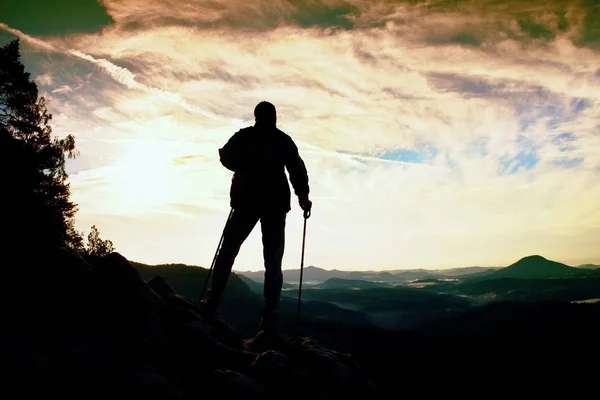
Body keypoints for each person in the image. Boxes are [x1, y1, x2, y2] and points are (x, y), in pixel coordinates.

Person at [200, 101, 312, 331]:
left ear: (256, 117)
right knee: (272, 261)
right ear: (275, 118)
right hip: (274, 204)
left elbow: (224, 155)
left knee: (228, 250)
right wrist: (303, 196)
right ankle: (269, 317)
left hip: (246, 201)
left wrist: (243, 168)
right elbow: (296, 168)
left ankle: (212, 301)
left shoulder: (244, 137)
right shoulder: (282, 140)